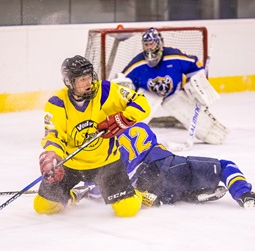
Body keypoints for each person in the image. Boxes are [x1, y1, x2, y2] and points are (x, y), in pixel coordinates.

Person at [33, 55, 151, 217]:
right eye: (82, 79)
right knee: (42, 207)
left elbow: (142, 102)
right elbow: (53, 137)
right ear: (69, 82)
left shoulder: (106, 91)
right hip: (71, 165)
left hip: (106, 164)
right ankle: (73, 196)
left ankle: (134, 193)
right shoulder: (57, 103)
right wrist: (54, 156)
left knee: (127, 210)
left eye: (89, 77)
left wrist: (124, 118)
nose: (88, 83)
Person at [86, 122, 255, 209]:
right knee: (225, 166)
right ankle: (244, 195)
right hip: (170, 167)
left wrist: (86, 190)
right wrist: (243, 192)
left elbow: (100, 188)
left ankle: (158, 196)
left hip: (145, 184)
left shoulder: (101, 144)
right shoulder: (139, 125)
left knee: (161, 189)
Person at [112, 27, 229, 145]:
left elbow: (195, 66)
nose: (149, 48)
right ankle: (125, 138)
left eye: (151, 44)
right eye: (146, 44)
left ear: (159, 43)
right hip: (148, 95)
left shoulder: (174, 56)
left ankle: (211, 131)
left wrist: (197, 85)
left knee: (213, 136)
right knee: (135, 118)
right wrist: (124, 86)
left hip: (174, 93)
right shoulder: (138, 62)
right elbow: (124, 80)